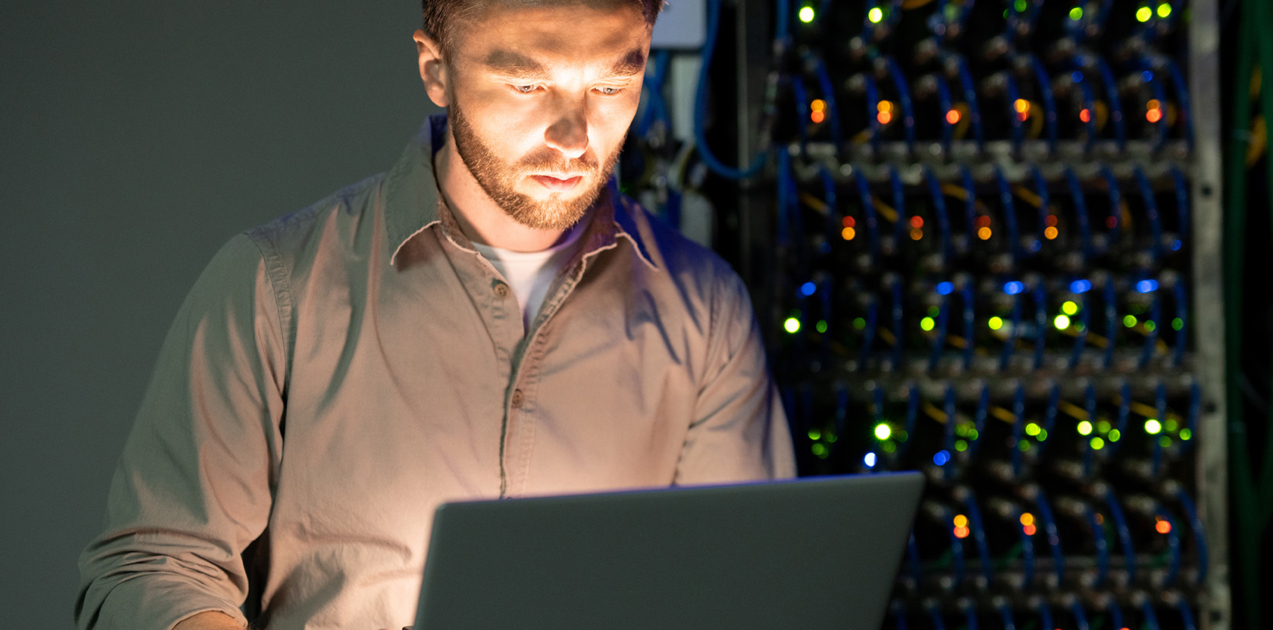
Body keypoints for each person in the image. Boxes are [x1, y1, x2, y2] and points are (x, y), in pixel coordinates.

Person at [75, 1, 794, 628]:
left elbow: (745, 587)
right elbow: (152, 569)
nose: (575, 137)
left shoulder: (706, 311)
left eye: (611, 83)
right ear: (436, 70)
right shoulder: (274, 286)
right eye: (527, 83)